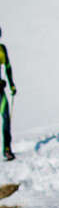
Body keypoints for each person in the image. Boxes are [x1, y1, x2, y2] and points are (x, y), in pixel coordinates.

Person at [0, 26, 16, 160]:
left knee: (6, 118)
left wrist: (11, 84)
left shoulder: (1, 49)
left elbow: (8, 67)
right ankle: (6, 149)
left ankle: (7, 148)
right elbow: (8, 68)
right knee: (5, 118)